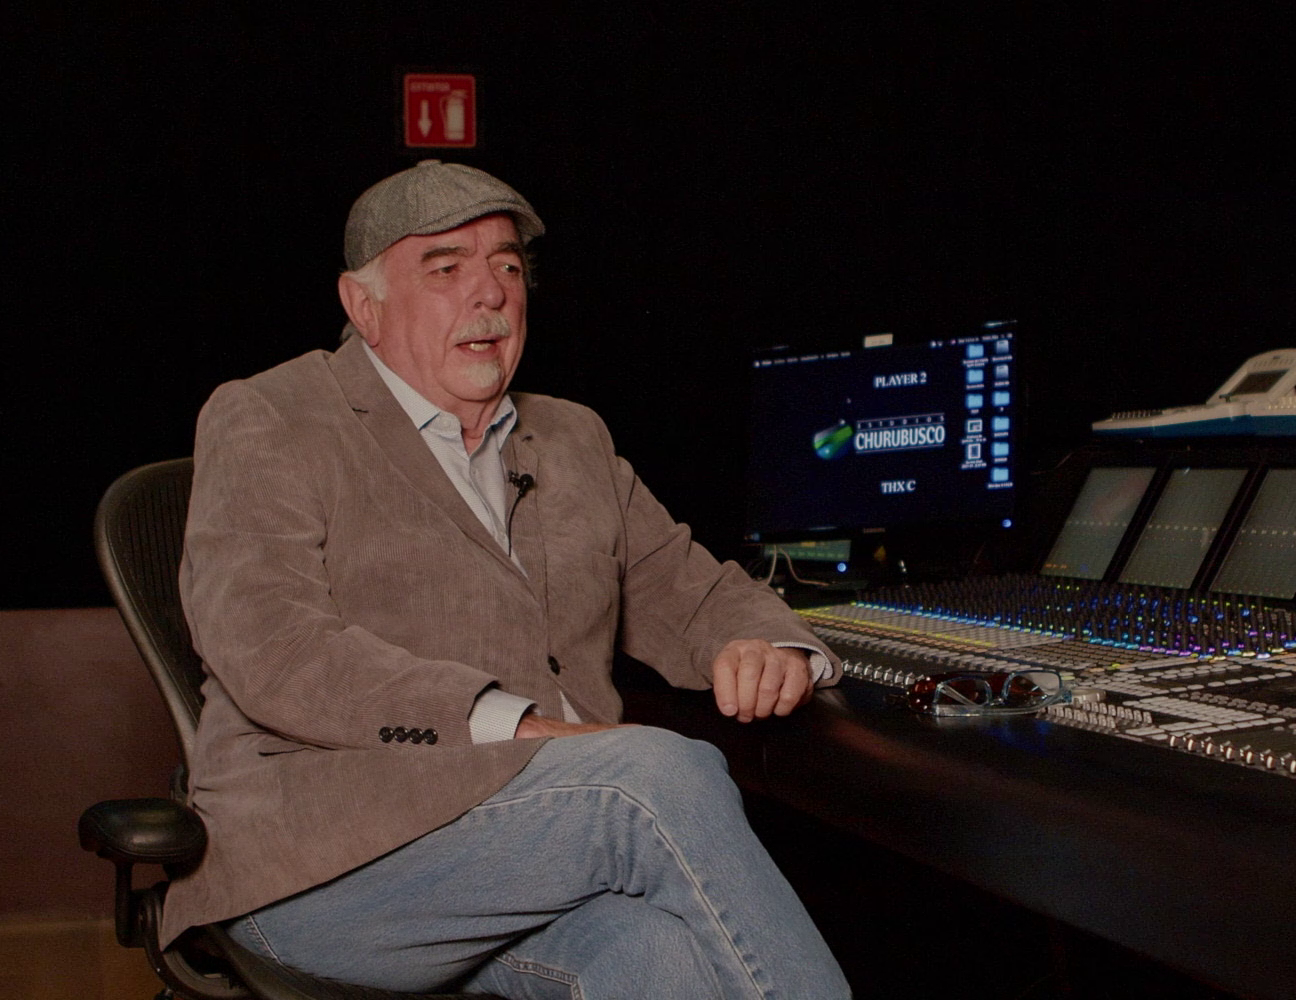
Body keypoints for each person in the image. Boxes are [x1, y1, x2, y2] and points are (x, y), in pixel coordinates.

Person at [167, 160, 851, 999]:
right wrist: (515, 726)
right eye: (445, 267)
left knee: (660, 959)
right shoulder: (272, 415)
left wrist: (768, 643)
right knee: (653, 778)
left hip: (527, 859)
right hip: (319, 866)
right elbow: (271, 646)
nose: (489, 293)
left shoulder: (573, 437)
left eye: (508, 267)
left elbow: (686, 587)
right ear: (362, 305)